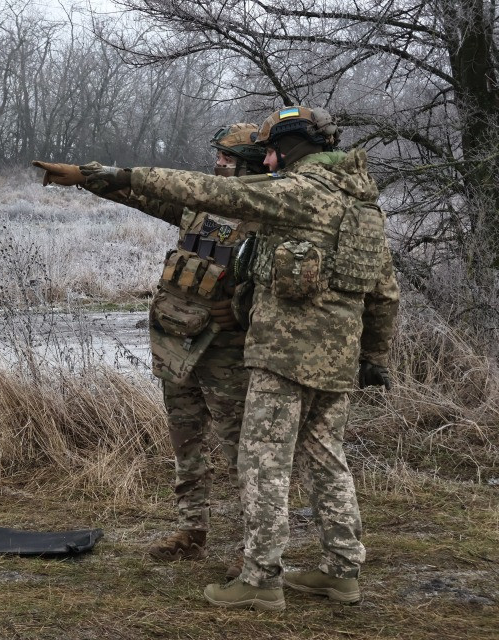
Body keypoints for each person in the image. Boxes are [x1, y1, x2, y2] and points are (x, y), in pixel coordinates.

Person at [77, 106, 400, 610]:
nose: (268, 160)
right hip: (334, 360)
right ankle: (342, 570)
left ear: (289, 149)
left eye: (271, 151)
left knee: (261, 462)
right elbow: (385, 293)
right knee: (327, 461)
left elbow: (215, 195)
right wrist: (374, 354)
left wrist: (125, 174)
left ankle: (261, 578)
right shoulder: (362, 206)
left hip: (282, 355)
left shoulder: (295, 195)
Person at [35, 125, 265, 577]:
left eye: (227, 158)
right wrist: (85, 176)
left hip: (229, 350)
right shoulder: (201, 203)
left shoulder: (273, 214)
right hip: (179, 338)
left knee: (243, 450)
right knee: (185, 439)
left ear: (253, 162)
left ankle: (255, 545)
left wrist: (242, 313)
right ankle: (191, 530)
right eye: (217, 155)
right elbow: (140, 192)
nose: (218, 163)